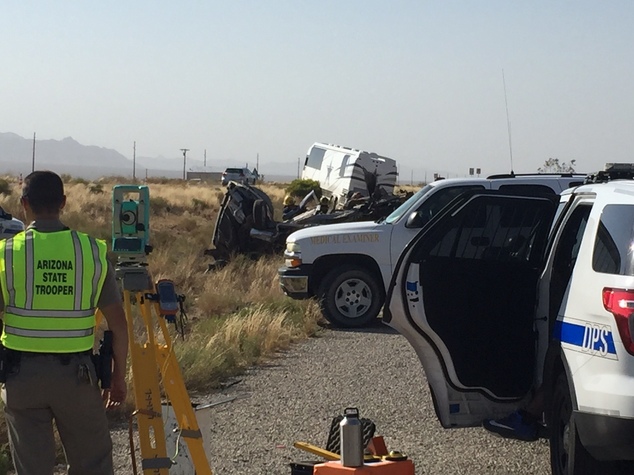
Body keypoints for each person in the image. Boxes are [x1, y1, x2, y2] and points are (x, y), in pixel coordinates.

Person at [0, 171, 129, 474]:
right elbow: (119, 325)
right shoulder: (91, 253)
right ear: (63, 203)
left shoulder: (6, 254)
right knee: (93, 465)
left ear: (24, 204)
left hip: (21, 379)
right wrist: (117, 378)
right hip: (77, 379)